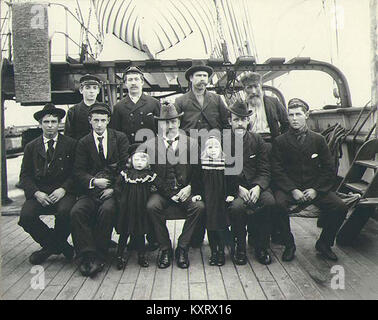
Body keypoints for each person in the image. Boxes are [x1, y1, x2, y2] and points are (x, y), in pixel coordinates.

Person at [271, 98, 348, 262]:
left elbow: (329, 168)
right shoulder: (280, 141)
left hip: (315, 187)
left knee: (340, 207)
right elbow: (277, 170)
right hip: (289, 188)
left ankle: (324, 244)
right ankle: (289, 244)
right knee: (277, 204)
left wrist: (316, 190)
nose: (294, 118)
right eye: (290, 115)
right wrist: (292, 189)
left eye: (298, 114)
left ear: (306, 115)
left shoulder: (318, 140)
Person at [70, 103, 129, 277]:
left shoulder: (120, 138)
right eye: (96, 120)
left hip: (112, 191)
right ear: (90, 121)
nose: (99, 124)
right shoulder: (83, 142)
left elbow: (125, 168)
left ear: (108, 120)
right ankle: (87, 255)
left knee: (107, 210)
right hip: (91, 191)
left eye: (103, 120)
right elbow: (78, 171)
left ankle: (100, 254)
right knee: (77, 212)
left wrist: (113, 189)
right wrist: (94, 181)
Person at [175, 61, 230, 247]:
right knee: (197, 191)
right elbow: (177, 128)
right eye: (198, 76)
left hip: (213, 154)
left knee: (213, 192)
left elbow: (225, 124)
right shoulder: (181, 101)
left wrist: (219, 146)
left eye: (205, 76)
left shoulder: (216, 99)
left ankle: (216, 237)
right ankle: (196, 236)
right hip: (191, 153)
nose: (202, 80)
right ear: (191, 78)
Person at [145, 103, 205, 269]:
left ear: (179, 122)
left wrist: (191, 188)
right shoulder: (151, 145)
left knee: (198, 206)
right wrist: (167, 192)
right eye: (165, 122)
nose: (169, 126)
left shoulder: (192, 143)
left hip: (185, 189)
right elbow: (150, 173)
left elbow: (198, 171)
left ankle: (182, 248)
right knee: (151, 206)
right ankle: (165, 248)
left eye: (173, 122)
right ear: (159, 124)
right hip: (161, 191)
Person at [18, 103, 77, 265]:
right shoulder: (31, 147)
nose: (50, 125)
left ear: (59, 124)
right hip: (40, 192)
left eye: (54, 122)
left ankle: (49, 248)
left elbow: (75, 173)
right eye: (46, 122)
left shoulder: (71, 144)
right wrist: (36, 193)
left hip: (63, 192)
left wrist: (63, 189)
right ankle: (59, 245)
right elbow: (25, 175)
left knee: (66, 212)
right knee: (26, 217)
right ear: (40, 124)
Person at [240, 71, 289, 245]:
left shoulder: (273, 102)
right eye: (249, 88)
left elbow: (286, 124)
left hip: (271, 147)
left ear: (261, 87)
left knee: (273, 189)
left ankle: (275, 231)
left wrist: (281, 145)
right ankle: (253, 232)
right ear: (244, 90)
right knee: (252, 185)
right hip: (249, 147)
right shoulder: (241, 106)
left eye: (255, 86)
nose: (253, 91)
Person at [227, 100, 274, 266]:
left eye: (243, 120)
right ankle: (240, 246)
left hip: (256, 185)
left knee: (269, 202)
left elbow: (265, 169)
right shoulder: (223, 141)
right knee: (237, 207)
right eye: (236, 120)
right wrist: (236, 188)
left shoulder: (257, 140)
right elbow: (221, 171)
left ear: (248, 121)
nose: (240, 124)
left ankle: (262, 246)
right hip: (233, 188)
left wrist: (258, 187)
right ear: (230, 121)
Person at [192, 136, 238, 266]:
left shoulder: (226, 162)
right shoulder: (201, 163)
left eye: (216, 147)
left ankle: (222, 251)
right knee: (210, 226)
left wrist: (231, 194)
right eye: (210, 147)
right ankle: (214, 252)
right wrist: (197, 194)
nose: (213, 150)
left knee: (221, 226)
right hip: (208, 199)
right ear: (205, 149)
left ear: (221, 148)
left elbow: (232, 180)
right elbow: (196, 181)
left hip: (221, 199)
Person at [115, 143, 157, 270]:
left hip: (141, 209)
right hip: (127, 208)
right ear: (131, 160)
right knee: (124, 233)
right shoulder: (125, 174)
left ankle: (141, 256)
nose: (139, 162)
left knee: (140, 233)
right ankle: (119, 256)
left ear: (148, 161)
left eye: (143, 159)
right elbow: (117, 187)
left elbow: (158, 186)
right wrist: (120, 200)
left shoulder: (149, 175)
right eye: (136, 159)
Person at [110, 66, 160, 144]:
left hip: (150, 149)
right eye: (130, 80)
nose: (133, 83)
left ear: (142, 82)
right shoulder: (119, 106)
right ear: (125, 83)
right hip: (127, 150)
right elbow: (115, 133)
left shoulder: (154, 103)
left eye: (136, 79)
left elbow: (161, 130)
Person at [64, 74, 102, 140]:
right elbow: (68, 136)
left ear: (98, 91)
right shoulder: (73, 111)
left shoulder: (104, 109)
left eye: (95, 88)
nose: (92, 91)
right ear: (81, 90)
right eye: (88, 88)